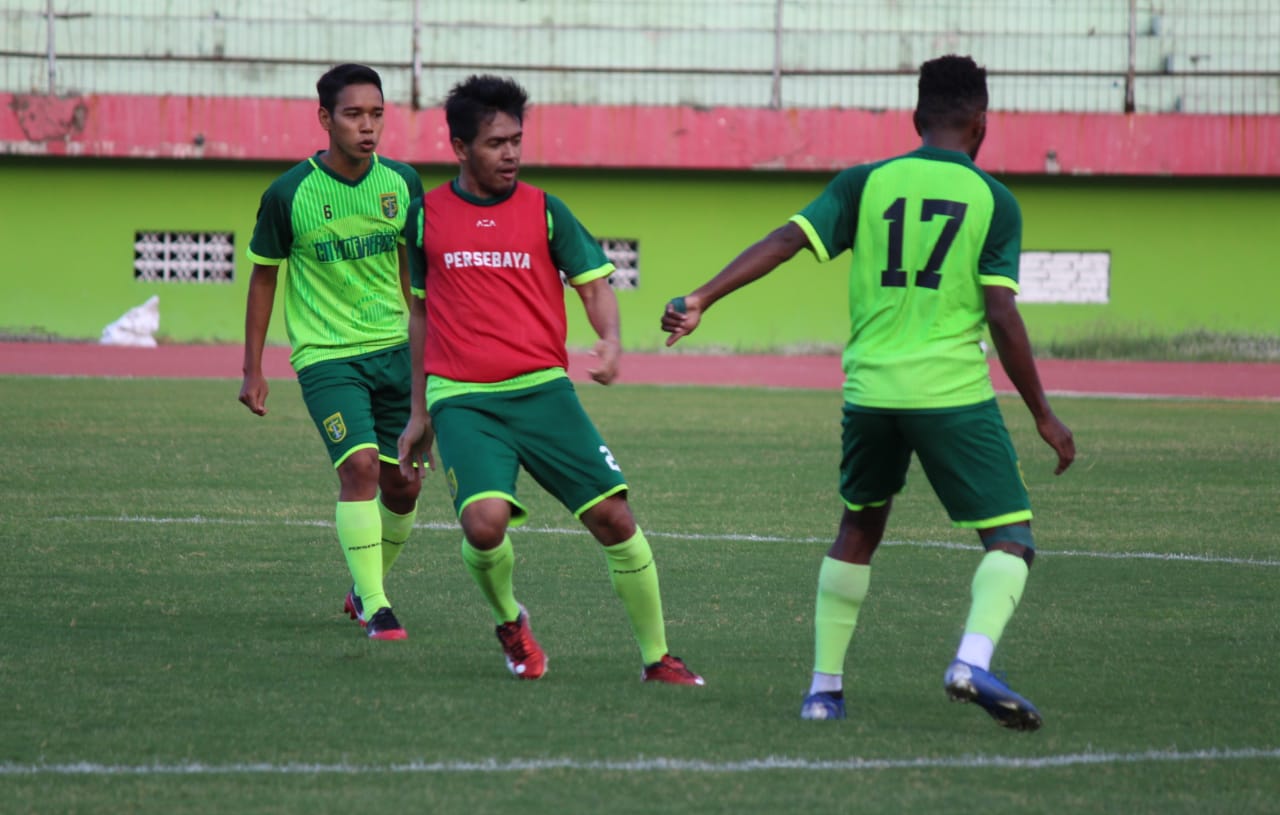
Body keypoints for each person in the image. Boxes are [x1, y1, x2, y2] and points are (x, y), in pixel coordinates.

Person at [661, 55, 1074, 728]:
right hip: (950, 395)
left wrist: (703, 295)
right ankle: (971, 658)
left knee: (858, 528)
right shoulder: (996, 201)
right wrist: (1045, 414)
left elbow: (786, 239)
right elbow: (1001, 313)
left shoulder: (866, 183)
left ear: (916, 120)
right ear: (982, 124)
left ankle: (823, 691)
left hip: (870, 395)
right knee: (1011, 537)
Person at [397, 74, 703, 686]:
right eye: (495, 143)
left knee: (615, 518)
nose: (510, 153)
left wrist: (611, 342)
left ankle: (657, 657)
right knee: (482, 524)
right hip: (463, 397)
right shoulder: (425, 216)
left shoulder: (545, 209)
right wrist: (419, 413)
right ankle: (511, 622)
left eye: (516, 140)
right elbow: (422, 313)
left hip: (543, 390)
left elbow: (593, 286)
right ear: (460, 147)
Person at [239, 63, 427, 641]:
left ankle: (361, 585)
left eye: (376, 114)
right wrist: (253, 368)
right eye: (353, 114)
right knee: (361, 469)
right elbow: (264, 277)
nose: (367, 127)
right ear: (325, 118)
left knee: (406, 485)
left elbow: (415, 282)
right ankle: (376, 605)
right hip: (327, 356)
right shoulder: (288, 193)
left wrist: (433, 359)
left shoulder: (402, 185)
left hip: (396, 352)